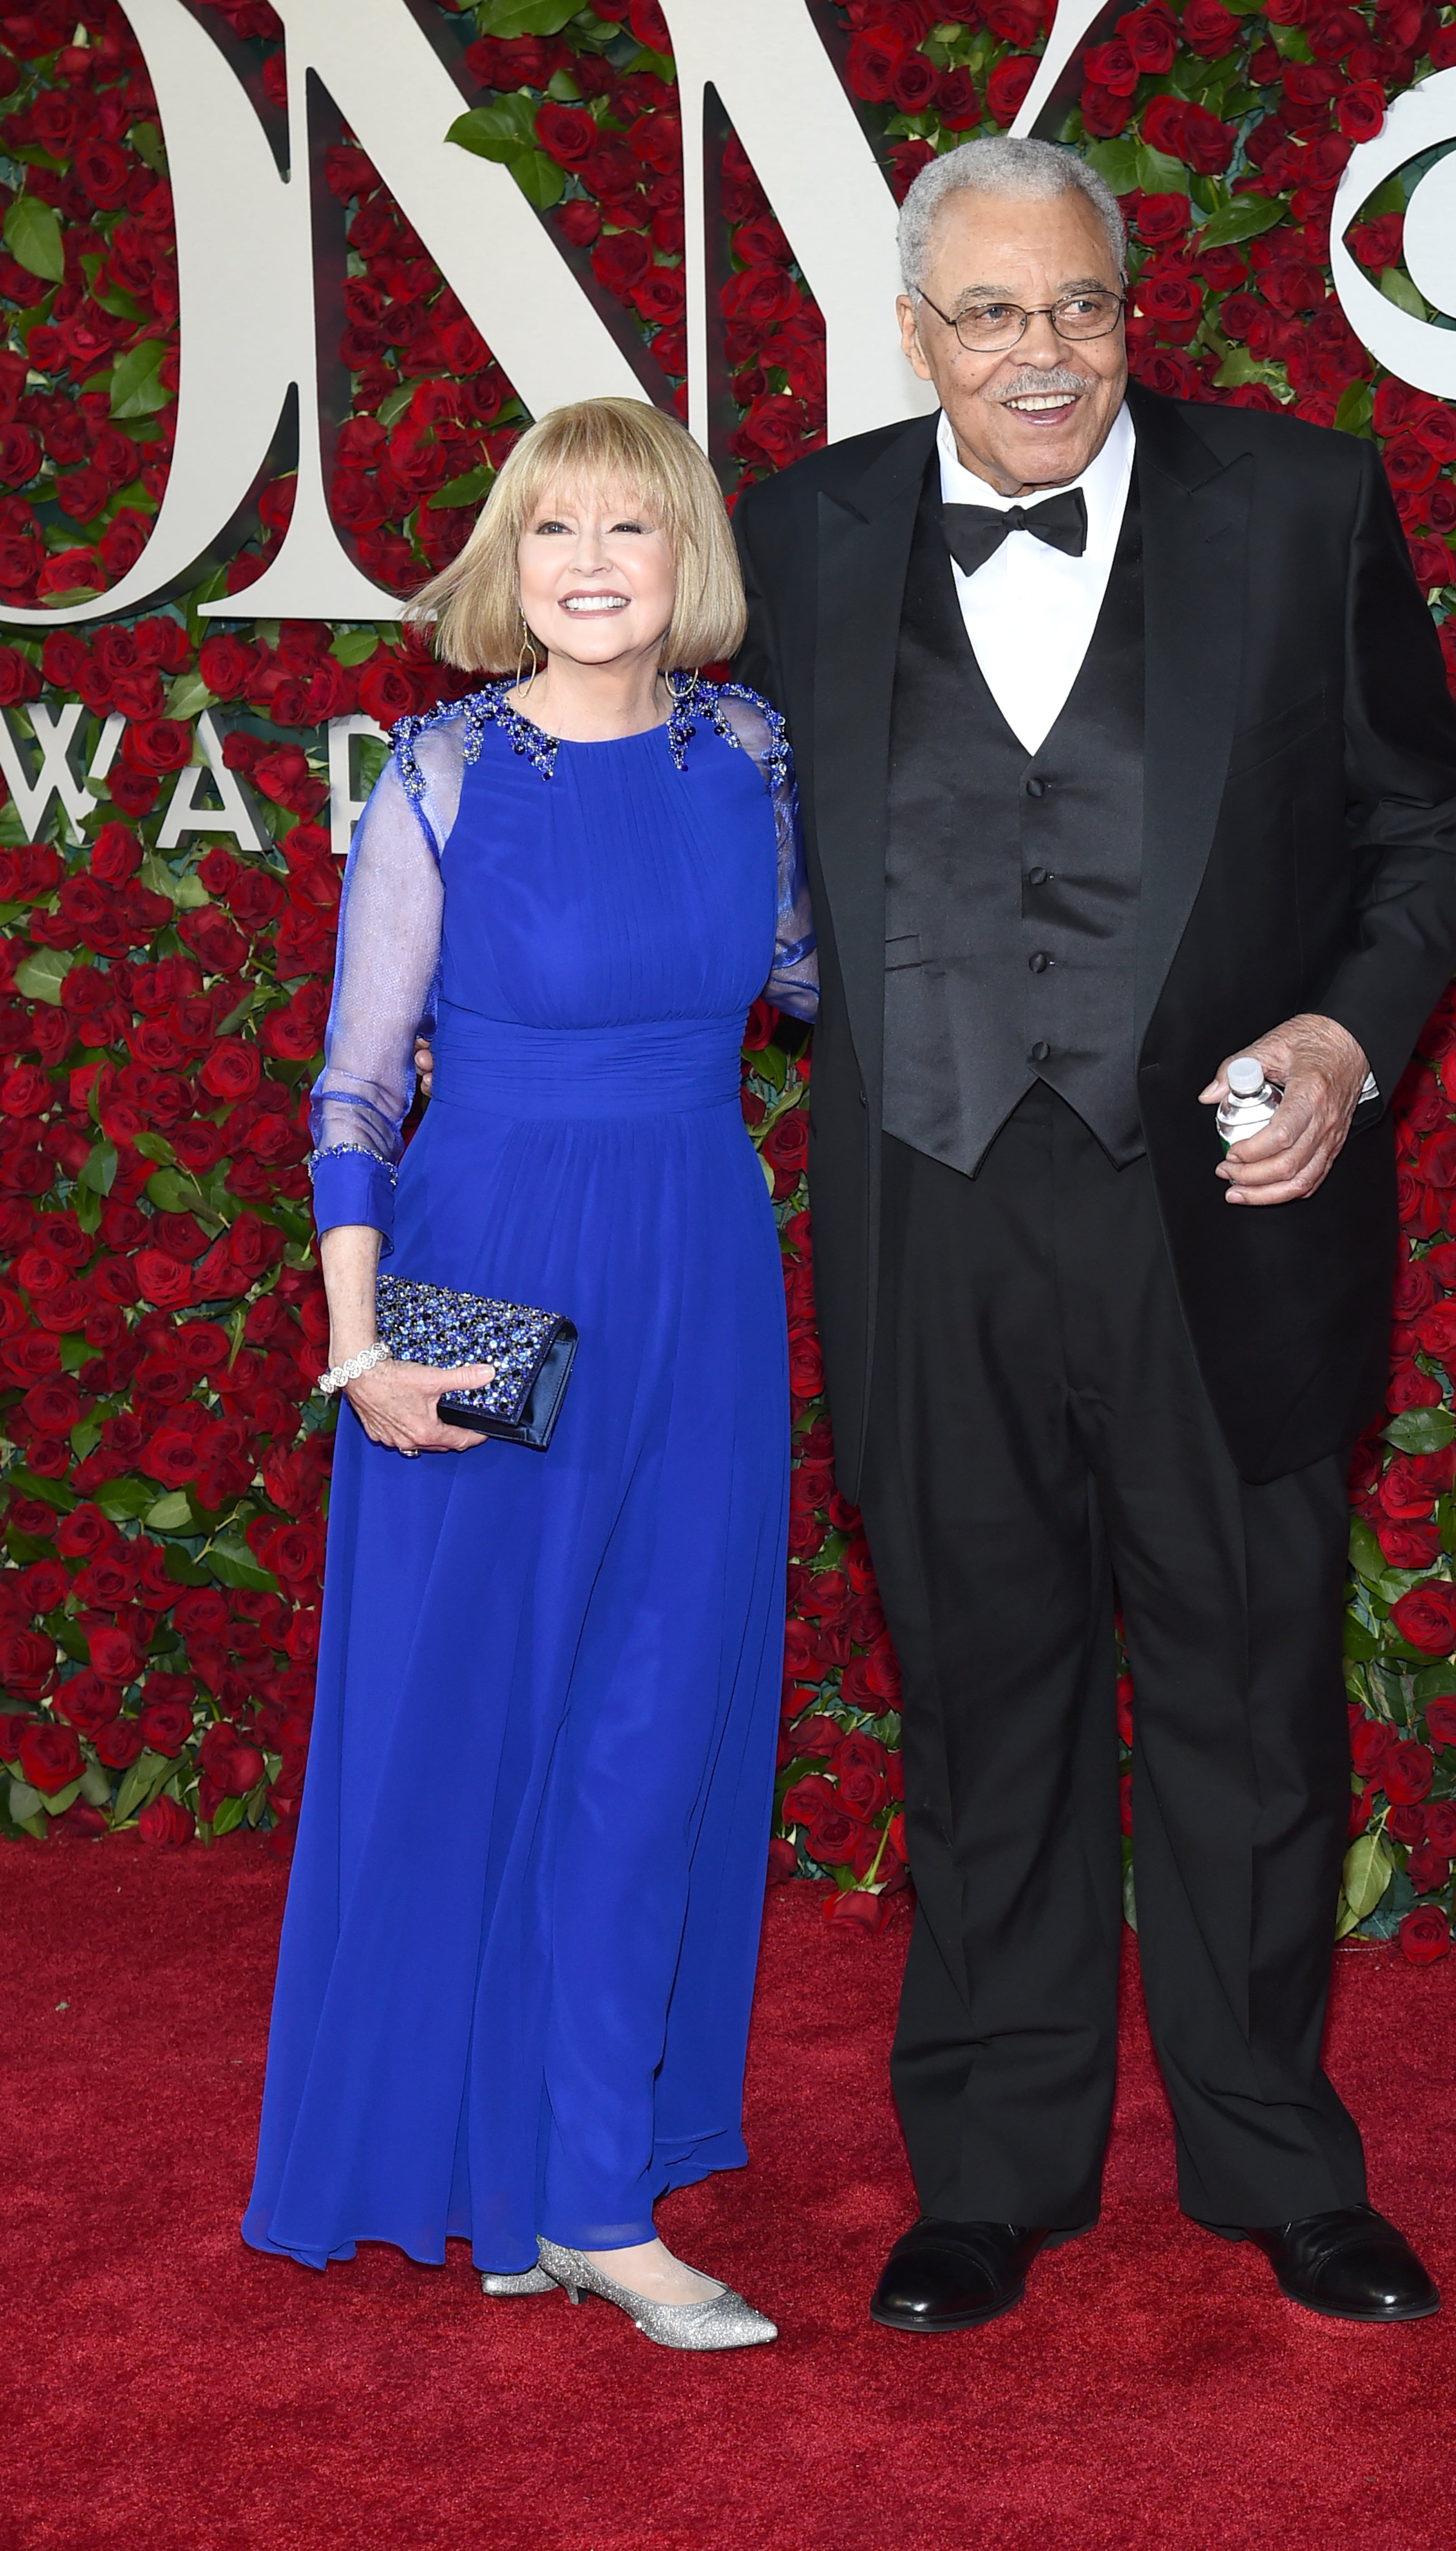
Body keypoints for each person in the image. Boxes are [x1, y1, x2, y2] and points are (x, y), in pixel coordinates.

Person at [730, 135, 1456, 2332]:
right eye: (991, 315)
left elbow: (1426, 819)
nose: (1041, 354)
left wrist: (1352, 1043)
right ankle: (990, 2170)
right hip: (930, 1215)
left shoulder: (1302, 497)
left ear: (1131, 304)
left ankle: (1278, 2160)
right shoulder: (801, 528)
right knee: (983, 1706)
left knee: (1252, 1692)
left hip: (1226, 1206)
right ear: (918, 332)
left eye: (1078, 305)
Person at [242, 397, 817, 2351]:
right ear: (511, 559)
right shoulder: (438, 772)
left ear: (686, 566)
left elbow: (832, 984)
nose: (588, 561)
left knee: (655, 1725)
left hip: (701, 1282)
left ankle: (590, 2192)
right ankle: (474, 2154)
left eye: (629, 530)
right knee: (470, 1726)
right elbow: (357, 1079)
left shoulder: (750, 757)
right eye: (552, 526)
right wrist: (354, 1337)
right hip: (482, 1285)